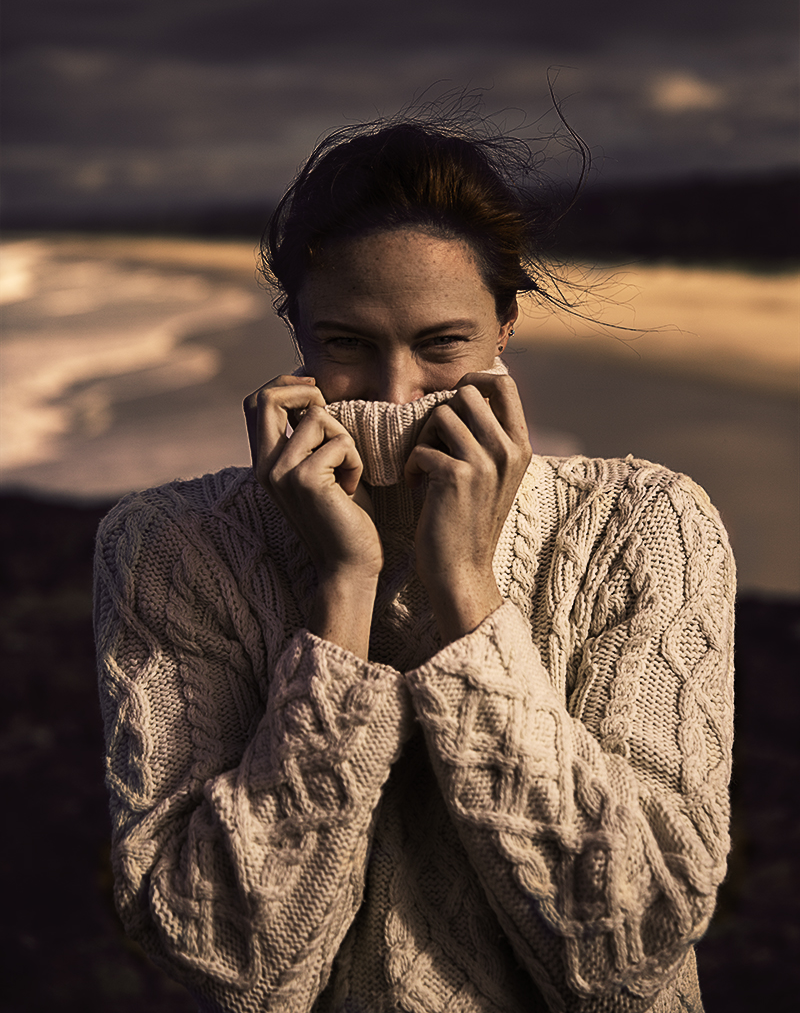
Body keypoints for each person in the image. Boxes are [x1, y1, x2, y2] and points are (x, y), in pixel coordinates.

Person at [93, 115, 735, 1013]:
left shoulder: (645, 524)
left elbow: (633, 940)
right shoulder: (169, 546)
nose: (398, 393)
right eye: (348, 343)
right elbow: (229, 958)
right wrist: (342, 598)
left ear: (505, 328)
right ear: (299, 336)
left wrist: (467, 593)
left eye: (442, 346)